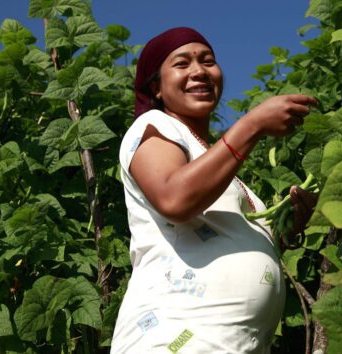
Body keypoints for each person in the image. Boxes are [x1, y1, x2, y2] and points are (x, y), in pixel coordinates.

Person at [111, 27, 317, 353]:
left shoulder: (218, 167)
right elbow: (174, 198)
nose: (199, 71)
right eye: (182, 63)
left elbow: (223, 239)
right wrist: (252, 125)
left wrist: (286, 227)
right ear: (156, 87)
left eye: (208, 61)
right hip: (173, 341)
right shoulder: (153, 127)